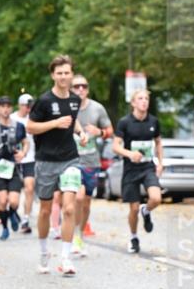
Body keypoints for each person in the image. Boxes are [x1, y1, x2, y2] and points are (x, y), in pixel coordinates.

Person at [26, 55, 88, 277]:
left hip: (70, 159)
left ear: (71, 74)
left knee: (70, 207)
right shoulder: (43, 101)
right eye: (59, 73)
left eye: (67, 72)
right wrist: (55, 123)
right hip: (46, 161)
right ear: (53, 75)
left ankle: (66, 257)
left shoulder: (74, 99)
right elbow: (30, 127)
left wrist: (81, 133)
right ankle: (44, 252)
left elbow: (73, 119)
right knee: (44, 211)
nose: (63, 76)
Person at [111, 89, 163, 254]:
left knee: (156, 198)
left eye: (146, 98)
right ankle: (134, 237)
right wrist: (130, 154)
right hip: (131, 169)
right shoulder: (124, 122)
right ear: (133, 103)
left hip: (148, 167)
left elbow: (158, 143)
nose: (144, 101)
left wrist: (160, 163)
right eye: (140, 98)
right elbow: (116, 146)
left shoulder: (153, 121)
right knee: (132, 208)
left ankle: (146, 210)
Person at [70, 75, 112, 256]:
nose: (80, 89)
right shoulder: (67, 107)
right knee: (78, 198)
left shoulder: (97, 108)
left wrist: (100, 132)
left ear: (87, 88)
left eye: (84, 86)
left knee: (86, 202)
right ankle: (73, 235)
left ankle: (80, 233)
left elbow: (110, 132)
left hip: (91, 161)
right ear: (71, 89)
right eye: (76, 86)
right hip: (71, 160)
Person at [0, 96, 27, 240]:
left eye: (8, 106)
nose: (5, 109)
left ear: (11, 108)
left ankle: (12, 214)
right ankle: (5, 228)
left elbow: (25, 142)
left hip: (14, 168)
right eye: (2, 106)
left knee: (14, 201)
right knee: (2, 201)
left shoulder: (19, 126)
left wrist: (23, 153)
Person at [9, 93, 35, 233]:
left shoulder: (34, 119)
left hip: (30, 158)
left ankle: (25, 219)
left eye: (31, 106)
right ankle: (12, 211)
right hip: (13, 160)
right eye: (26, 106)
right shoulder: (12, 118)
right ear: (20, 105)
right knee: (13, 194)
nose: (28, 109)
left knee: (29, 187)